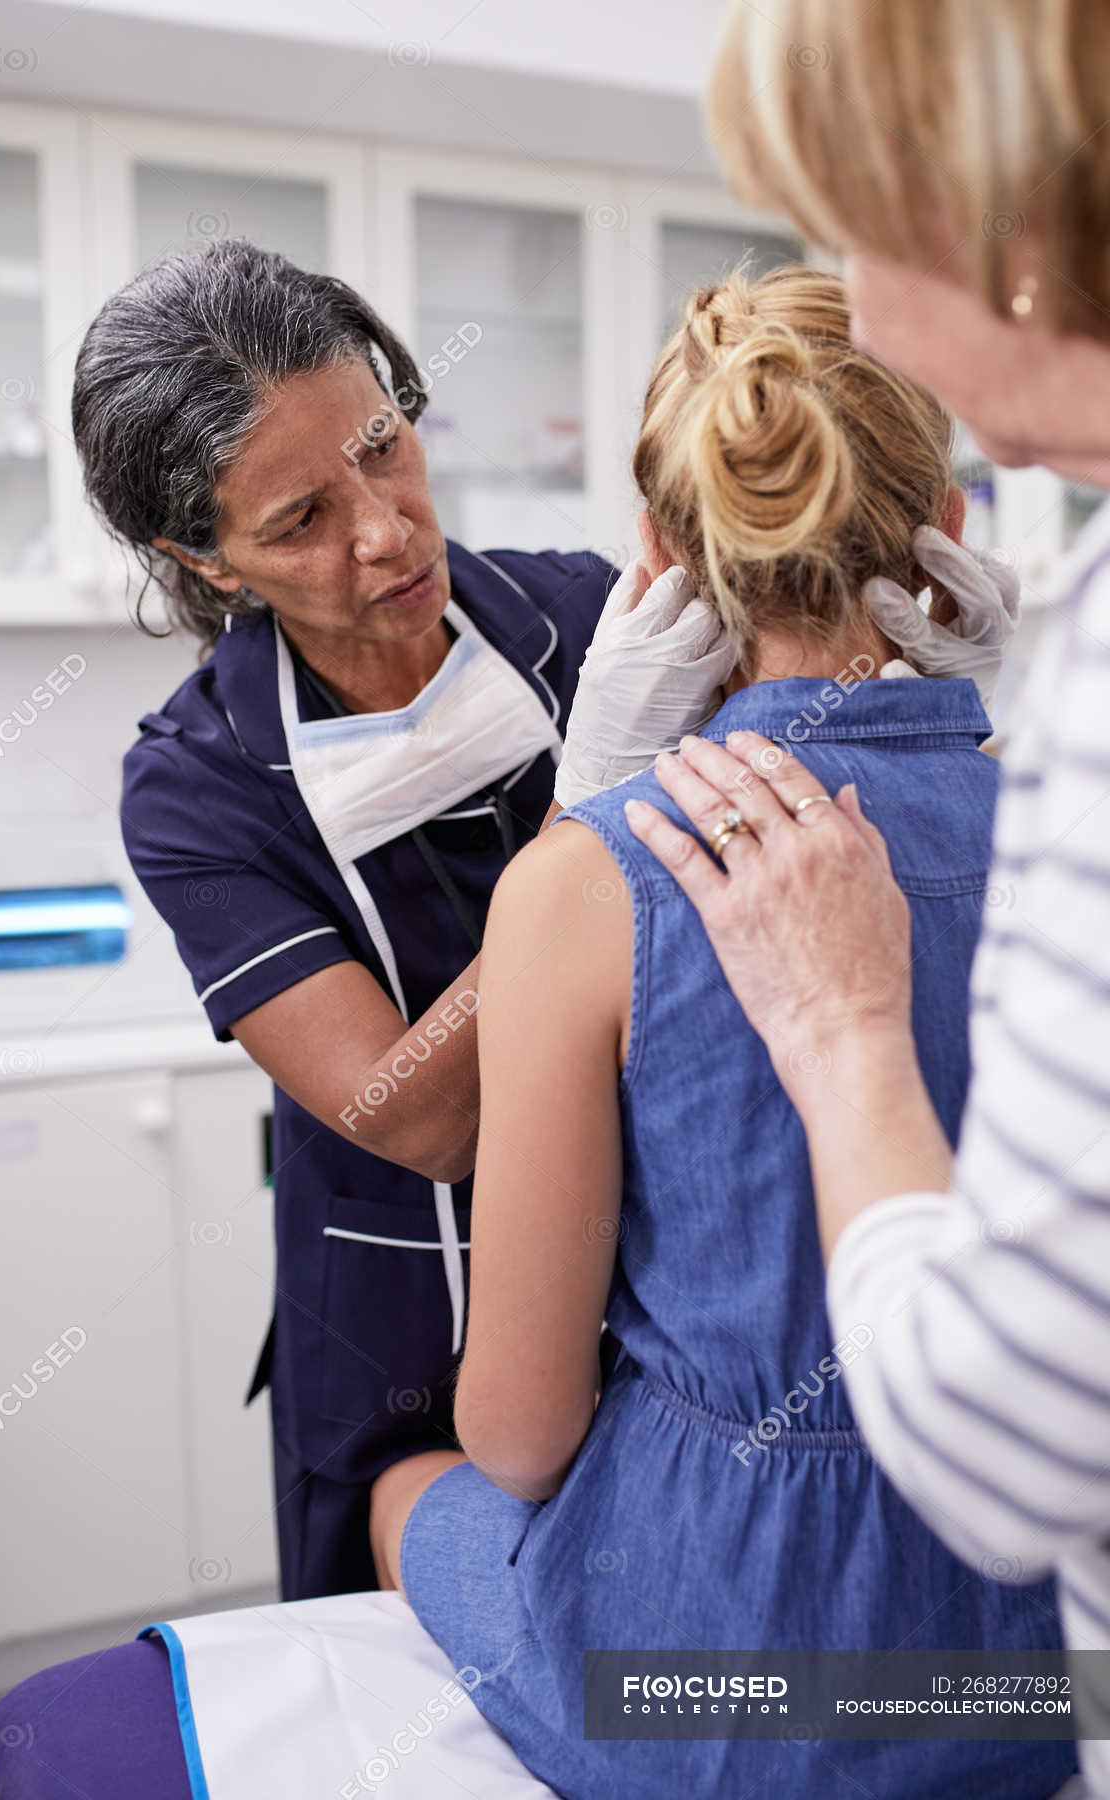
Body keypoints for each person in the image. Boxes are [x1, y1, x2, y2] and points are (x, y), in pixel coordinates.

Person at [367, 264, 1077, 1800]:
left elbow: (522, 1434)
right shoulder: (1070, 827)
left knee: (414, 1490)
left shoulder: (587, 883)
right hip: (1030, 1662)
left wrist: (582, 816)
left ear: (661, 558)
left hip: (724, 1681)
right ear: (950, 529)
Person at [77, 238, 731, 1603]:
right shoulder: (200, 788)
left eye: (383, 447)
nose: (383, 528)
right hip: (404, 1355)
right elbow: (417, 1112)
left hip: (674, 1311)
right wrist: (590, 814)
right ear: (204, 559)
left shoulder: (578, 622)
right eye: (301, 519)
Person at [622, 3, 1110, 1793]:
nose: (870, 303)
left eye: (864, 222)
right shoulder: (1016, 742)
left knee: (430, 1496)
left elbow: (1008, 1445)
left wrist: (844, 1025)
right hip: (1030, 1700)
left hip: (780, 1683)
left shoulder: (604, 871)